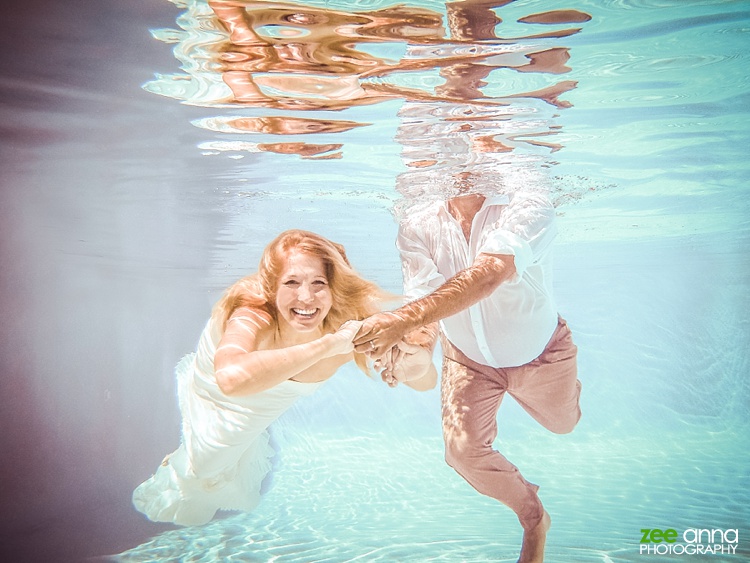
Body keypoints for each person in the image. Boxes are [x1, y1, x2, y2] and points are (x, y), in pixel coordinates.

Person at [133, 229, 436, 526]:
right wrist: (326, 346)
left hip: (255, 411)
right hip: (215, 390)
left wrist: (419, 367)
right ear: (272, 287)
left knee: (212, 470)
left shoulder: (349, 325)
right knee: (199, 474)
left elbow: (426, 382)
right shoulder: (254, 313)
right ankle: (185, 456)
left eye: (319, 283)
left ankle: (194, 455)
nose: (306, 298)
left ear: (333, 288)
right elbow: (229, 379)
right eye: (291, 282)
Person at [353, 187, 581, 563]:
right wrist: (416, 348)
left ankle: (568, 384)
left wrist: (403, 320)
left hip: (542, 353)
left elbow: (491, 273)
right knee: (461, 453)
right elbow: (424, 304)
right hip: (467, 359)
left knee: (564, 424)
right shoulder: (417, 219)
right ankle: (533, 517)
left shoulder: (529, 199)